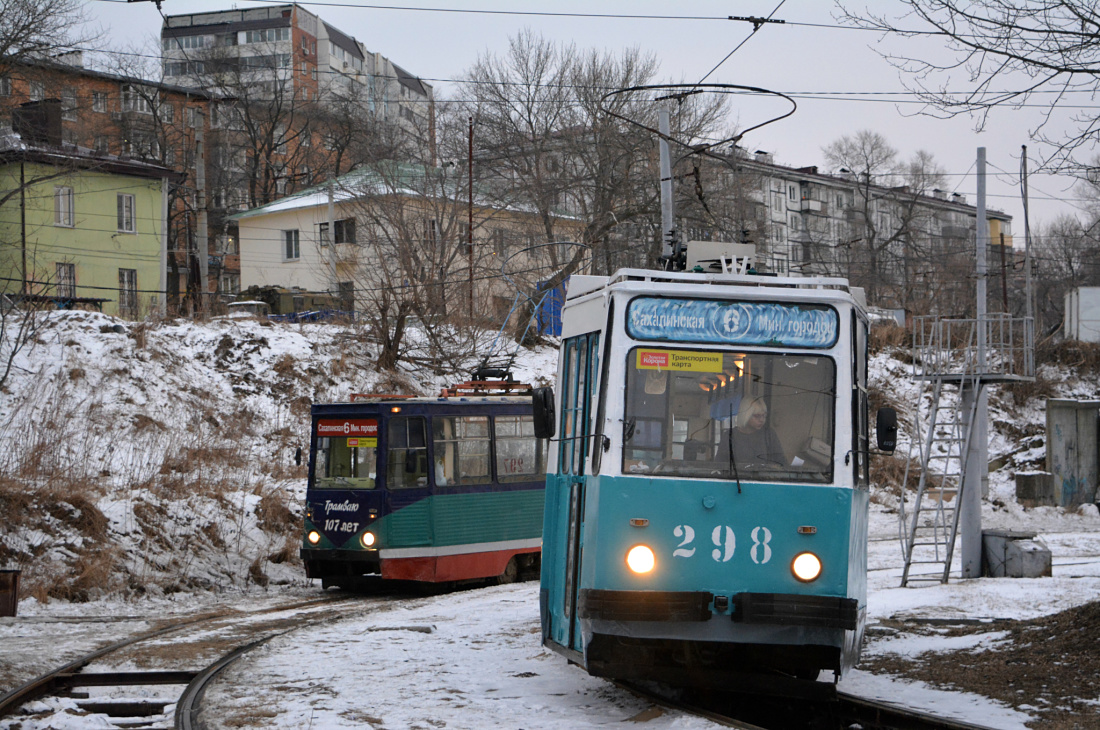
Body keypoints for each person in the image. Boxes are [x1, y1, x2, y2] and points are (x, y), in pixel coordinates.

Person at [725, 396, 786, 467]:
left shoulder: (768, 435)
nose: (762, 420)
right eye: (757, 416)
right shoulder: (730, 436)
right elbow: (720, 466)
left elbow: (782, 462)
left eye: (764, 416)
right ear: (746, 415)